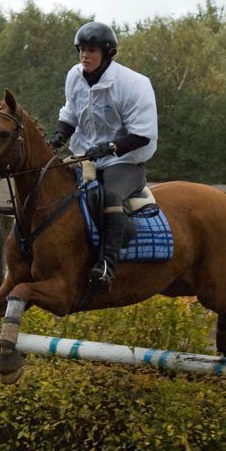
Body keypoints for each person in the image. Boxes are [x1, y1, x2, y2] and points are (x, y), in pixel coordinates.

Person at [47, 21, 158, 288]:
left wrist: (109, 148)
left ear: (107, 53)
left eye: (92, 50)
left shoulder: (134, 84)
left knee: (109, 195)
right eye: (82, 49)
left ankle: (107, 266)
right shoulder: (74, 76)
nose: (84, 55)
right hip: (86, 156)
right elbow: (70, 113)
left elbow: (142, 134)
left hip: (125, 160)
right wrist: (59, 136)